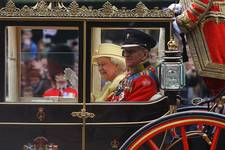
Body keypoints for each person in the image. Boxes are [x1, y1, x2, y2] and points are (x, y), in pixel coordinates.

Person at [169, 0, 225, 96]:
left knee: (218, 85)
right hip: (209, 25)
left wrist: (180, 21)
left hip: (211, 28)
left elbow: (201, 3)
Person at [107, 29, 159, 102]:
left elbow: (130, 110)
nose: (126, 55)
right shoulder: (131, 75)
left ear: (144, 55)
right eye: (124, 51)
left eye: (131, 51)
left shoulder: (146, 79)